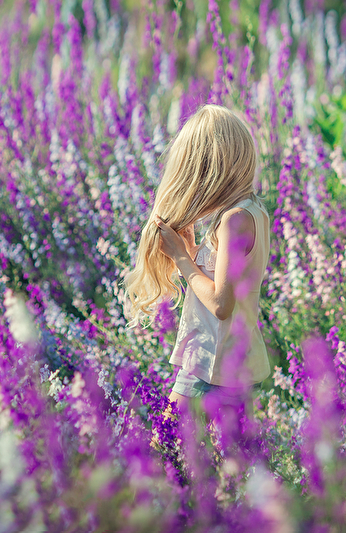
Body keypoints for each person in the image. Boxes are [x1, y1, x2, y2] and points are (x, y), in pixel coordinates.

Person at [122, 104, 271, 423]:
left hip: (211, 364)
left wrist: (180, 258)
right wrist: (190, 255)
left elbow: (221, 304)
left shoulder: (235, 220)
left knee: (164, 440)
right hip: (234, 360)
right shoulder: (253, 211)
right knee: (227, 451)